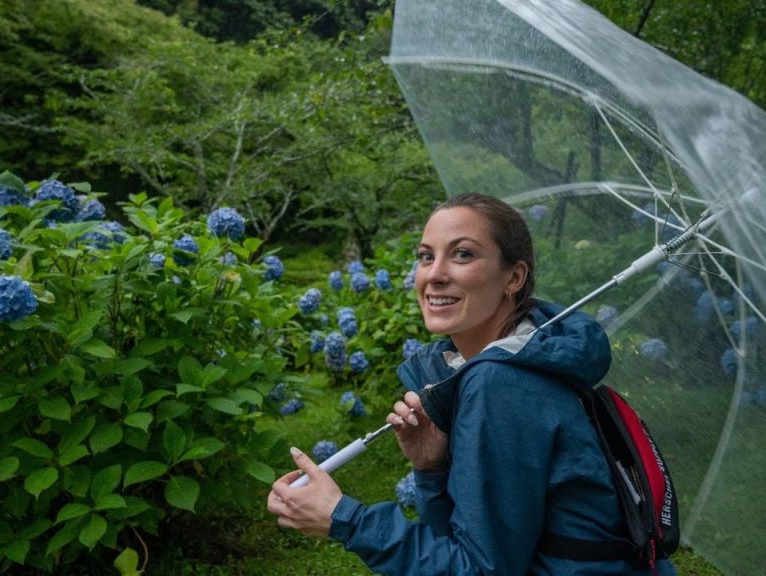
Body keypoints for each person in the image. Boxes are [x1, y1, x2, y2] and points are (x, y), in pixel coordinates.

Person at [267, 193, 676, 575]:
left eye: (462, 254)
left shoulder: (503, 381)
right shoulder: (524, 357)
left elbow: (480, 569)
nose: (435, 275)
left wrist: (344, 519)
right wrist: (431, 470)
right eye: (426, 256)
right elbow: (470, 543)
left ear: (514, 277)